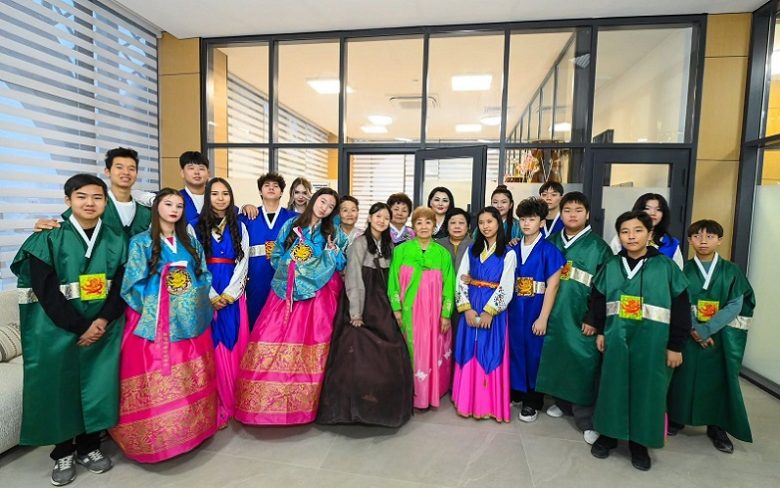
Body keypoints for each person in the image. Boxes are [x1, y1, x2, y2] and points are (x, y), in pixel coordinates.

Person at [11, 174, 127, 486]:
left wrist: (101, 321)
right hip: (57, 330)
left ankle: (89, 446)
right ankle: (62, 451)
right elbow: (45, 291)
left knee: (98, 385)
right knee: (59, 388)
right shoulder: (48, 237)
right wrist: (79, 326)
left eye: (97, 197)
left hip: (103, 328)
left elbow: (122, 285)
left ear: (106, 202)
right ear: (68, 200)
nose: (90, 203)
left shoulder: (117, 239)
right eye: (81, 196)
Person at [110, 189, 217, 463]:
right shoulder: (141, 242)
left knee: (191, 374)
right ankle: (160, 438)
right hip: (155, 320)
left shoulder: (189, 242)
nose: (174, 210)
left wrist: (189, 292)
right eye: (168, 204)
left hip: (188, 320)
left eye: (179, 206)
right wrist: (165, 284)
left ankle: (195, 430)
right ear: (156, 207)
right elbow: (132, 283)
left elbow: (204, 276)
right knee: (159, 378)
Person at [235, 188, 348, 425]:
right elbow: (276, 256)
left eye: (330, 206)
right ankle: (266, 402)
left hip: (319, 297)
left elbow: (340, 264)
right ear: (314, 200)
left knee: (312, 344)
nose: (325, 208)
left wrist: (332, 252)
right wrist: (291, 266)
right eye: (322, 201)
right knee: (272, 337)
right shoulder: (291, 225)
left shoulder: (335, 233)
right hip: (285, 292)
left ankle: (306, 404)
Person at [589, 211, 690, 471]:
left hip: (653, 343)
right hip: (616, 338)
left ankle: (639, 444)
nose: (631, 236)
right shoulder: (612, 266)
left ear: (650, 234)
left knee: (648, 392)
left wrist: (676, 345)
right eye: (625, 231)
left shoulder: (666, 267)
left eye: (637, 231)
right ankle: (608, 435)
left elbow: (681, 308)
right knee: (612, 386)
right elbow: (599, 300)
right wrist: (600, 331)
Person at [317, 203, 414, 427]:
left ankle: (384, 409)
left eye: (386, 218)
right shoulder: (359, 243)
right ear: (369, 218)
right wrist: (356, 313)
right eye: (378, 216)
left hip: (384, 301)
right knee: (355, 351)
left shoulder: (390, 245)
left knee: (392, 348)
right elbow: (353, 278)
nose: (382, 220)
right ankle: (353, 410)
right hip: (362, 301)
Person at [667, 220, 756, 453]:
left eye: (709, 236)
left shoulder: (731, 271)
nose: (703, 241)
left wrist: (707, 329)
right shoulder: (683, 270)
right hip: (689, 334)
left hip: (719, 337)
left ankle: (716, 426)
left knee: (717, 380)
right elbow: (679, 302)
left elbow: (736, 304)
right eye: (697, 236)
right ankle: (677, 417)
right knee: (682, 377)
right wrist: (695, 329)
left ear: (719, 240)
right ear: (689, 241)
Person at [534, 192, 612, 445]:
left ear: (587, 214)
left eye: (578, 210)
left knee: (582, 362)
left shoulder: (599, 248)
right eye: (567, 210)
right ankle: (563, 403)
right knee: (558, 357)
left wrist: (594, 318)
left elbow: (604, 289)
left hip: (581, 317)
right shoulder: (552, 241)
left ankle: (586, 419)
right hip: (555, 313)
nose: (572, 215)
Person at [191, 178, 250, 429]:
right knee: (210, 345)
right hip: (207, 289)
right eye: (215, 193)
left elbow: (243, 261)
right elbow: (195, 263)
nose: (220, 198)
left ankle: (236, 401)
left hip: (232, 292)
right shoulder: (195, 227)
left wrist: (229, 293)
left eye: (225, 193)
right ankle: (216, 405)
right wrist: (212, 295)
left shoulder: (240, 226)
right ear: (208, 197)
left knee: (234, 341)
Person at [452, 207, 516, 422]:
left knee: (490, 351)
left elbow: (506, 285)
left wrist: (490, 312)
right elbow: (461, 278)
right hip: (471, 306)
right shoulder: (472, 250)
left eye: (490, 221)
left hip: (493, 312)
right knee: (469, 349)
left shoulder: (508, 253)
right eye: (481, 223)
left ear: (499, 223)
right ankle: (466, 402)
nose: (485, 226)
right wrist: (466, 308)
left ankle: (488, 404)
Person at [388, 206, 455, 409]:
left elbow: (449, 286)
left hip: (434, 314)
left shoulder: (443, 254)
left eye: (428, 222)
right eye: (419, 222)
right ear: (413, 226)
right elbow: (393, 282)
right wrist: (396, 309)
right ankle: (410, 394)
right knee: (410, 350)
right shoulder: (401, 250)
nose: (424, 226)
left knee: (431, 350)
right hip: (408, 312)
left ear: (434, 226)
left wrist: (446, 314)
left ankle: (428, 395)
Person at [508, 198, 565, 423]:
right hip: (514, 307)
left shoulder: (549, 250)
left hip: (536, 306)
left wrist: (543, 317)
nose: (526, 223)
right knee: (514, 348)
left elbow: (554, 285)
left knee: (534, 353)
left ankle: (533, 400)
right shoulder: (513, 248)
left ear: (541, 222)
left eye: (531, 219)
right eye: (522, 219)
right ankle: (516, 390)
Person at [32, 147, 151, 239]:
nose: (126, 172)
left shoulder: (147, 209)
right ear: (107, 171)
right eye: (119, 167)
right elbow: (69, 230)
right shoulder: (93, 204)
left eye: (131, 168)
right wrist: (47, 229)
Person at [241, 172, 298, 327]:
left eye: (275, 186)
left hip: (284, 274)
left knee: (282, 319)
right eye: (267, 185)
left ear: (281, 192)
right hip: (256, 274)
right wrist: (244, 207)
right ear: (260, 191)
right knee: (255, 315)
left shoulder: (294, 218)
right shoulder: (248, 216)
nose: (271, 188)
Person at [609, 193, 683, 269]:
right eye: (647, 208)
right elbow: (611, 266)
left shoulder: (671, 244)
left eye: (658, 209)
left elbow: (677, 272)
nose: (653, 213)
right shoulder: (621, 239)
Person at [436, 208, 473, 343]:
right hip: (440, 301)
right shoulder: (437, 246)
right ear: (447, 226)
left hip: (467, 302)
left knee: (461, 341)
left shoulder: (476, 246)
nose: (457, 226)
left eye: (461, 223)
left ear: (468, 226)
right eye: (453, 223)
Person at [179, 151, 210, 222]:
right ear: (182, 173)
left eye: (201, 168)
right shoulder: (176, 198)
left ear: (208, 173)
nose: (196, 172)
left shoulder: (216, 198)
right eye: (191, 168)